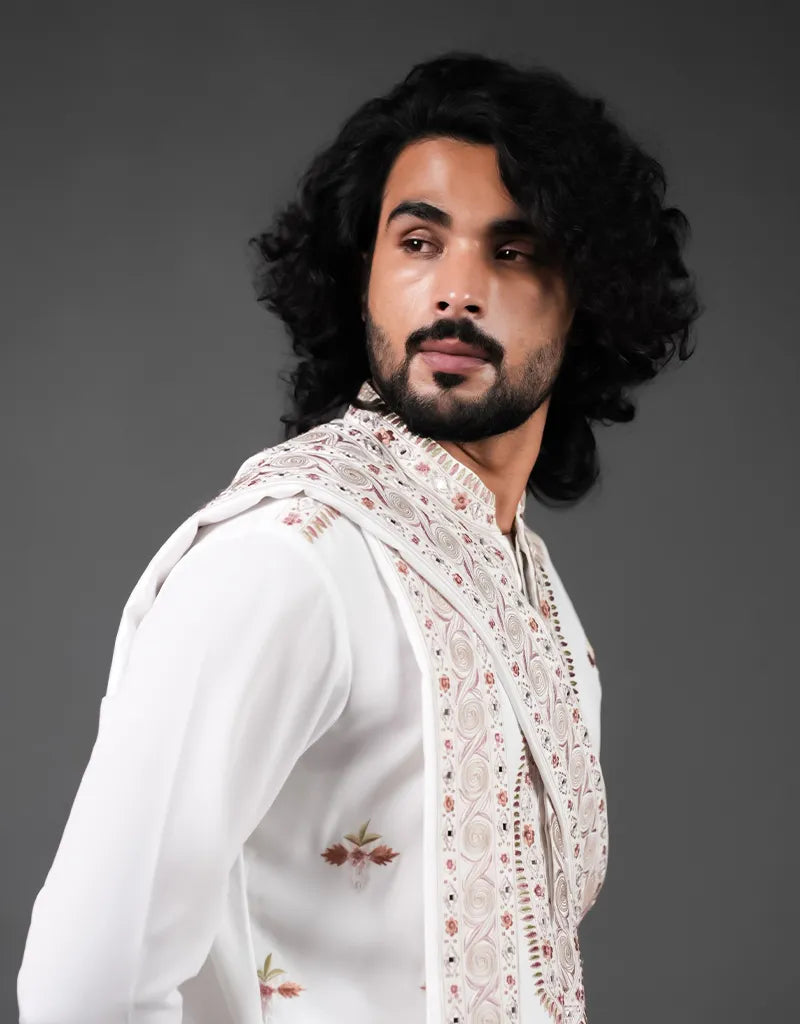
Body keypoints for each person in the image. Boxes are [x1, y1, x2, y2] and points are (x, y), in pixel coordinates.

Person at [17, 51, 700, 1024]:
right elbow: (83, 993)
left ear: (587, 293)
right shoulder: (288, 561)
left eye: (511, 250)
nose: (455, 289)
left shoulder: (527, 587)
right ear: (361, 275)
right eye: (418, 240)